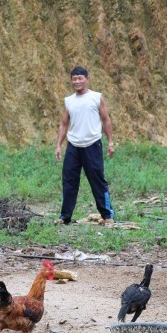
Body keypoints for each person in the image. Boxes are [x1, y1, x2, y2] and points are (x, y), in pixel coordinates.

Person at [54, 65, 114, 224]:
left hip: (92, 144)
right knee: (69, 180)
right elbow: (63, 124)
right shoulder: (69, 101)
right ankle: (65, 217)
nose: (77, 81)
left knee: (97, 180)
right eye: (74, 79)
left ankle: (107, 215)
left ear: (87, 79)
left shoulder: (96, 97)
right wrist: (59, 145)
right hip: (73, 145)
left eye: (80, 78)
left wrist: (110, 142)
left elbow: (106, 120)